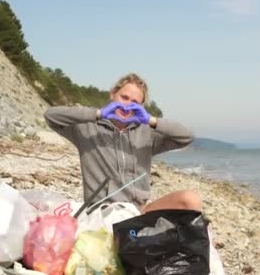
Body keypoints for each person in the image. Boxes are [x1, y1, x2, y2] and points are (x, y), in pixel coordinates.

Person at [44, 73, 201, 213]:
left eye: (135, 103)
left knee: (190, 199)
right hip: (104, 212)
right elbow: (51, 116)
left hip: (140, 211)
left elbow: (186, 137)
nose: (127, 106)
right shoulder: (86, 128)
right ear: (113, 94)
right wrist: (98, 114)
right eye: (124, 98)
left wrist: (149, 120)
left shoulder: (146, 133)